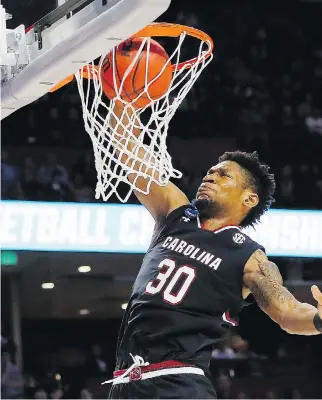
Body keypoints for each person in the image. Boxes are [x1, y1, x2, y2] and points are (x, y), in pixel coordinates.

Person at [106, 104, 322, 399]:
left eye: (223, 176)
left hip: (178, 382)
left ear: (249, 198)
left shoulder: (249, 256)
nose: (210, 177)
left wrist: (318, 319)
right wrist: (120, 101)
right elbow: (131, 154)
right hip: (124, 383)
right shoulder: (175, 212)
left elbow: (287, 311)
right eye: (209, 172)